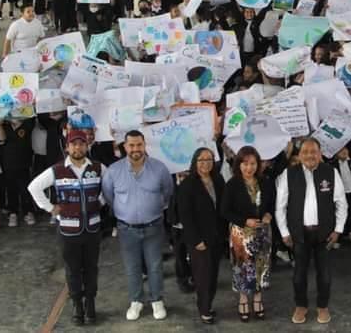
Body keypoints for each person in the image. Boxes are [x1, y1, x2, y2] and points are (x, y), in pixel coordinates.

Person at [28, 130, 105, 326]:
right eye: (74, 144)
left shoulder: (97, 168)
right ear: (67, 147)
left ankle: (90, 305)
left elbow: (112, 186)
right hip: (68, 231)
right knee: (72, 270)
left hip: (92, 230)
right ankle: (77, 305)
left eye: (81, 144)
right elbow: (34, 187)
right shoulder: (57, 170)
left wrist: (101, 202)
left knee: (91, 269)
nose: (78, 147)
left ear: (87, 146)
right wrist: (50, 208)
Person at [101, 130, 174, 322]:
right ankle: (136, 301)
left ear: (145, 145)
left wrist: (153, 208)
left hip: (154, 227)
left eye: (139, 145)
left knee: (155, 266)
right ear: (124, 147)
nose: (135, 149)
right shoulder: (113, 171)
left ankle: (157, 300)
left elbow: (167, 192)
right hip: (127, 229)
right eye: (131, 145)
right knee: (132, 267)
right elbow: (109, 197)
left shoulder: (159, 169)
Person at [275, 137, 348, 325]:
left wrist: (338, 230)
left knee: (324, 274)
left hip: (325, 234)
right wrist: (284, 232)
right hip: (298, 234)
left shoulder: (330, 172)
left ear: (320, 153)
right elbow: (280, 206)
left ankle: (322, 306)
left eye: (313, 151)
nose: (310, 155)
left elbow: (342, 203)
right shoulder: (288, 174)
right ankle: (301, 306)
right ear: (299, 155)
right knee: (299, 274)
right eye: (305, 152)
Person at [221, 145, 274, 322]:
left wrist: (268, 214)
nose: (249, 167)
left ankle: (258, 298)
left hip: (262, 232)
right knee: (243, 268)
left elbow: (272, 203)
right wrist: (245, 221)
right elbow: (225, 211)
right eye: (245, 163)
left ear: (258, 164)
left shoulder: (266, 181)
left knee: (261, 266)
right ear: (238, 165)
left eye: (252, 163)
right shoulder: (232, 184)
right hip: (241, 234)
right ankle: (243, 299)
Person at [176, 147, 226, 325]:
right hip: (199, 241)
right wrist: (196, 240)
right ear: (195, 162)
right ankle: (204, 309)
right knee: (203, 276)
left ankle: (208, 304)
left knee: (213, 275)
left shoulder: (218, 179)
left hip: (217, 237)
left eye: (209, 159)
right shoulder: (187, 185)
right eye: (202, 160)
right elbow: (186, 216)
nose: (206, 163)